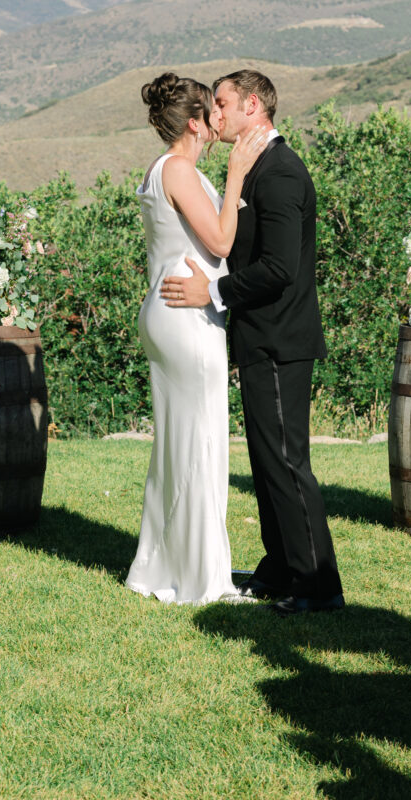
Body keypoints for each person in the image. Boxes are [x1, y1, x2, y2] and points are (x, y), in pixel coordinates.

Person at [161, 69, 343, 616]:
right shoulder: (257, 168)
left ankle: (318, 586)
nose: (217, 114)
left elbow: (281, 269)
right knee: (267, 461)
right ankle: (280, 568)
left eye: (223, 103)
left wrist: (212, 290)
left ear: (254, 106)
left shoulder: (281, 172)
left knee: (287, 462)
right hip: (261, 338)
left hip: (282, 340)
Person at [125, 72, 266, 604]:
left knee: (178, 445)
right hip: (185, 316)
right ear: (195, 122)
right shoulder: (180, 170)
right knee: (202, 443)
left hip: (169, 310)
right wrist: (235, 178)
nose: (219, 121)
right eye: (212, 112)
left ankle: (161, 567)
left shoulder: (163, 168)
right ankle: (206, 581)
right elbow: (221, 239)